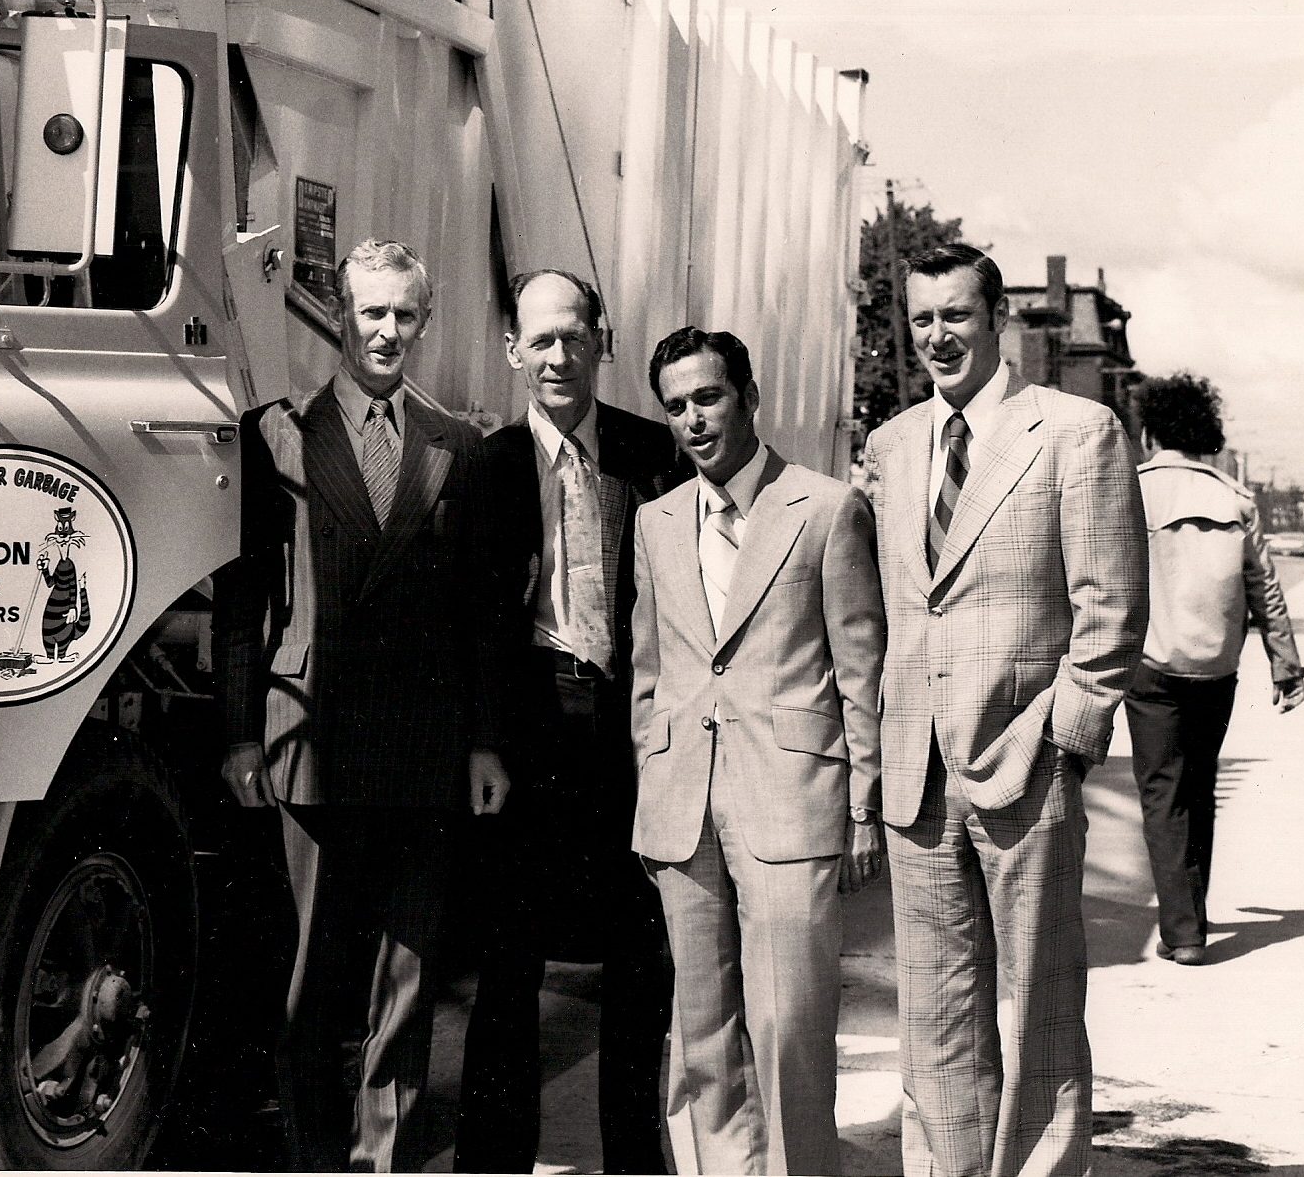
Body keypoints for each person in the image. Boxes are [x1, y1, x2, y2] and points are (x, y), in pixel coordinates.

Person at [213, 237, 510, 1173]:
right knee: (313, 976)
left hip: (424, 744)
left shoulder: (457, 443)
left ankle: (386, 1160)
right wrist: (235, 732)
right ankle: (310, 1156)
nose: (387, 331)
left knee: (409, 978)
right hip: (311, 738)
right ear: (339, 317)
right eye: (370, 312)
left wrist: (484, 745)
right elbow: (245, 599)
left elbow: (480, 613)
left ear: (426, 321)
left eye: (404, 314)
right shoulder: (277, 433)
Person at [861, 243, 1147, 1177]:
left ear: (996, 322)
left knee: (1040, 1008)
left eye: (955, 315)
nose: (937, 336)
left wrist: (1064, 739)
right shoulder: (893, 445)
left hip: (1025, 764)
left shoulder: (1076, 431)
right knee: (934, 1019)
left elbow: (1109, 605)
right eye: (922, 319)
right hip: (917, 772)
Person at [630, 326, 885, 1175]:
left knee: (788, 1027)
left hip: (791, 802)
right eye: (676, 406)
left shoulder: (825, 507)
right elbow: (649, 669)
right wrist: (652, 777)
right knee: (699, 1032)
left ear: (747, 396)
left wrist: (860, 805)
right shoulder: (656, 521)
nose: (693, 420)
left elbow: (860, 670)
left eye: (707, 397)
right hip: (681, 811)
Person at [456, 269, 678, 1176]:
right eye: (538, 340)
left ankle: (634, 1158)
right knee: (507, 965)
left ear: (602, 342)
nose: (556, 356)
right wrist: (479, 741)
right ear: (513, 351)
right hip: (526, 734)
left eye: (572, 336)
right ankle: (493, 1163)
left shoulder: (651, 452)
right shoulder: (488, 464)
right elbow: (468, 614)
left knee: (639, 960)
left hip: (630, 735)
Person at [1128, 372, 1304, 967]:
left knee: (1163, 792)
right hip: (1217, 668)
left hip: (1151, 666)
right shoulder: (1236, 499)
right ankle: (1191, 916)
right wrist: (1285, 663)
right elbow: (1265, 588)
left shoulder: (1131, 490)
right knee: (1200, 786)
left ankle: (1184, 932)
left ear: (1150, 433)